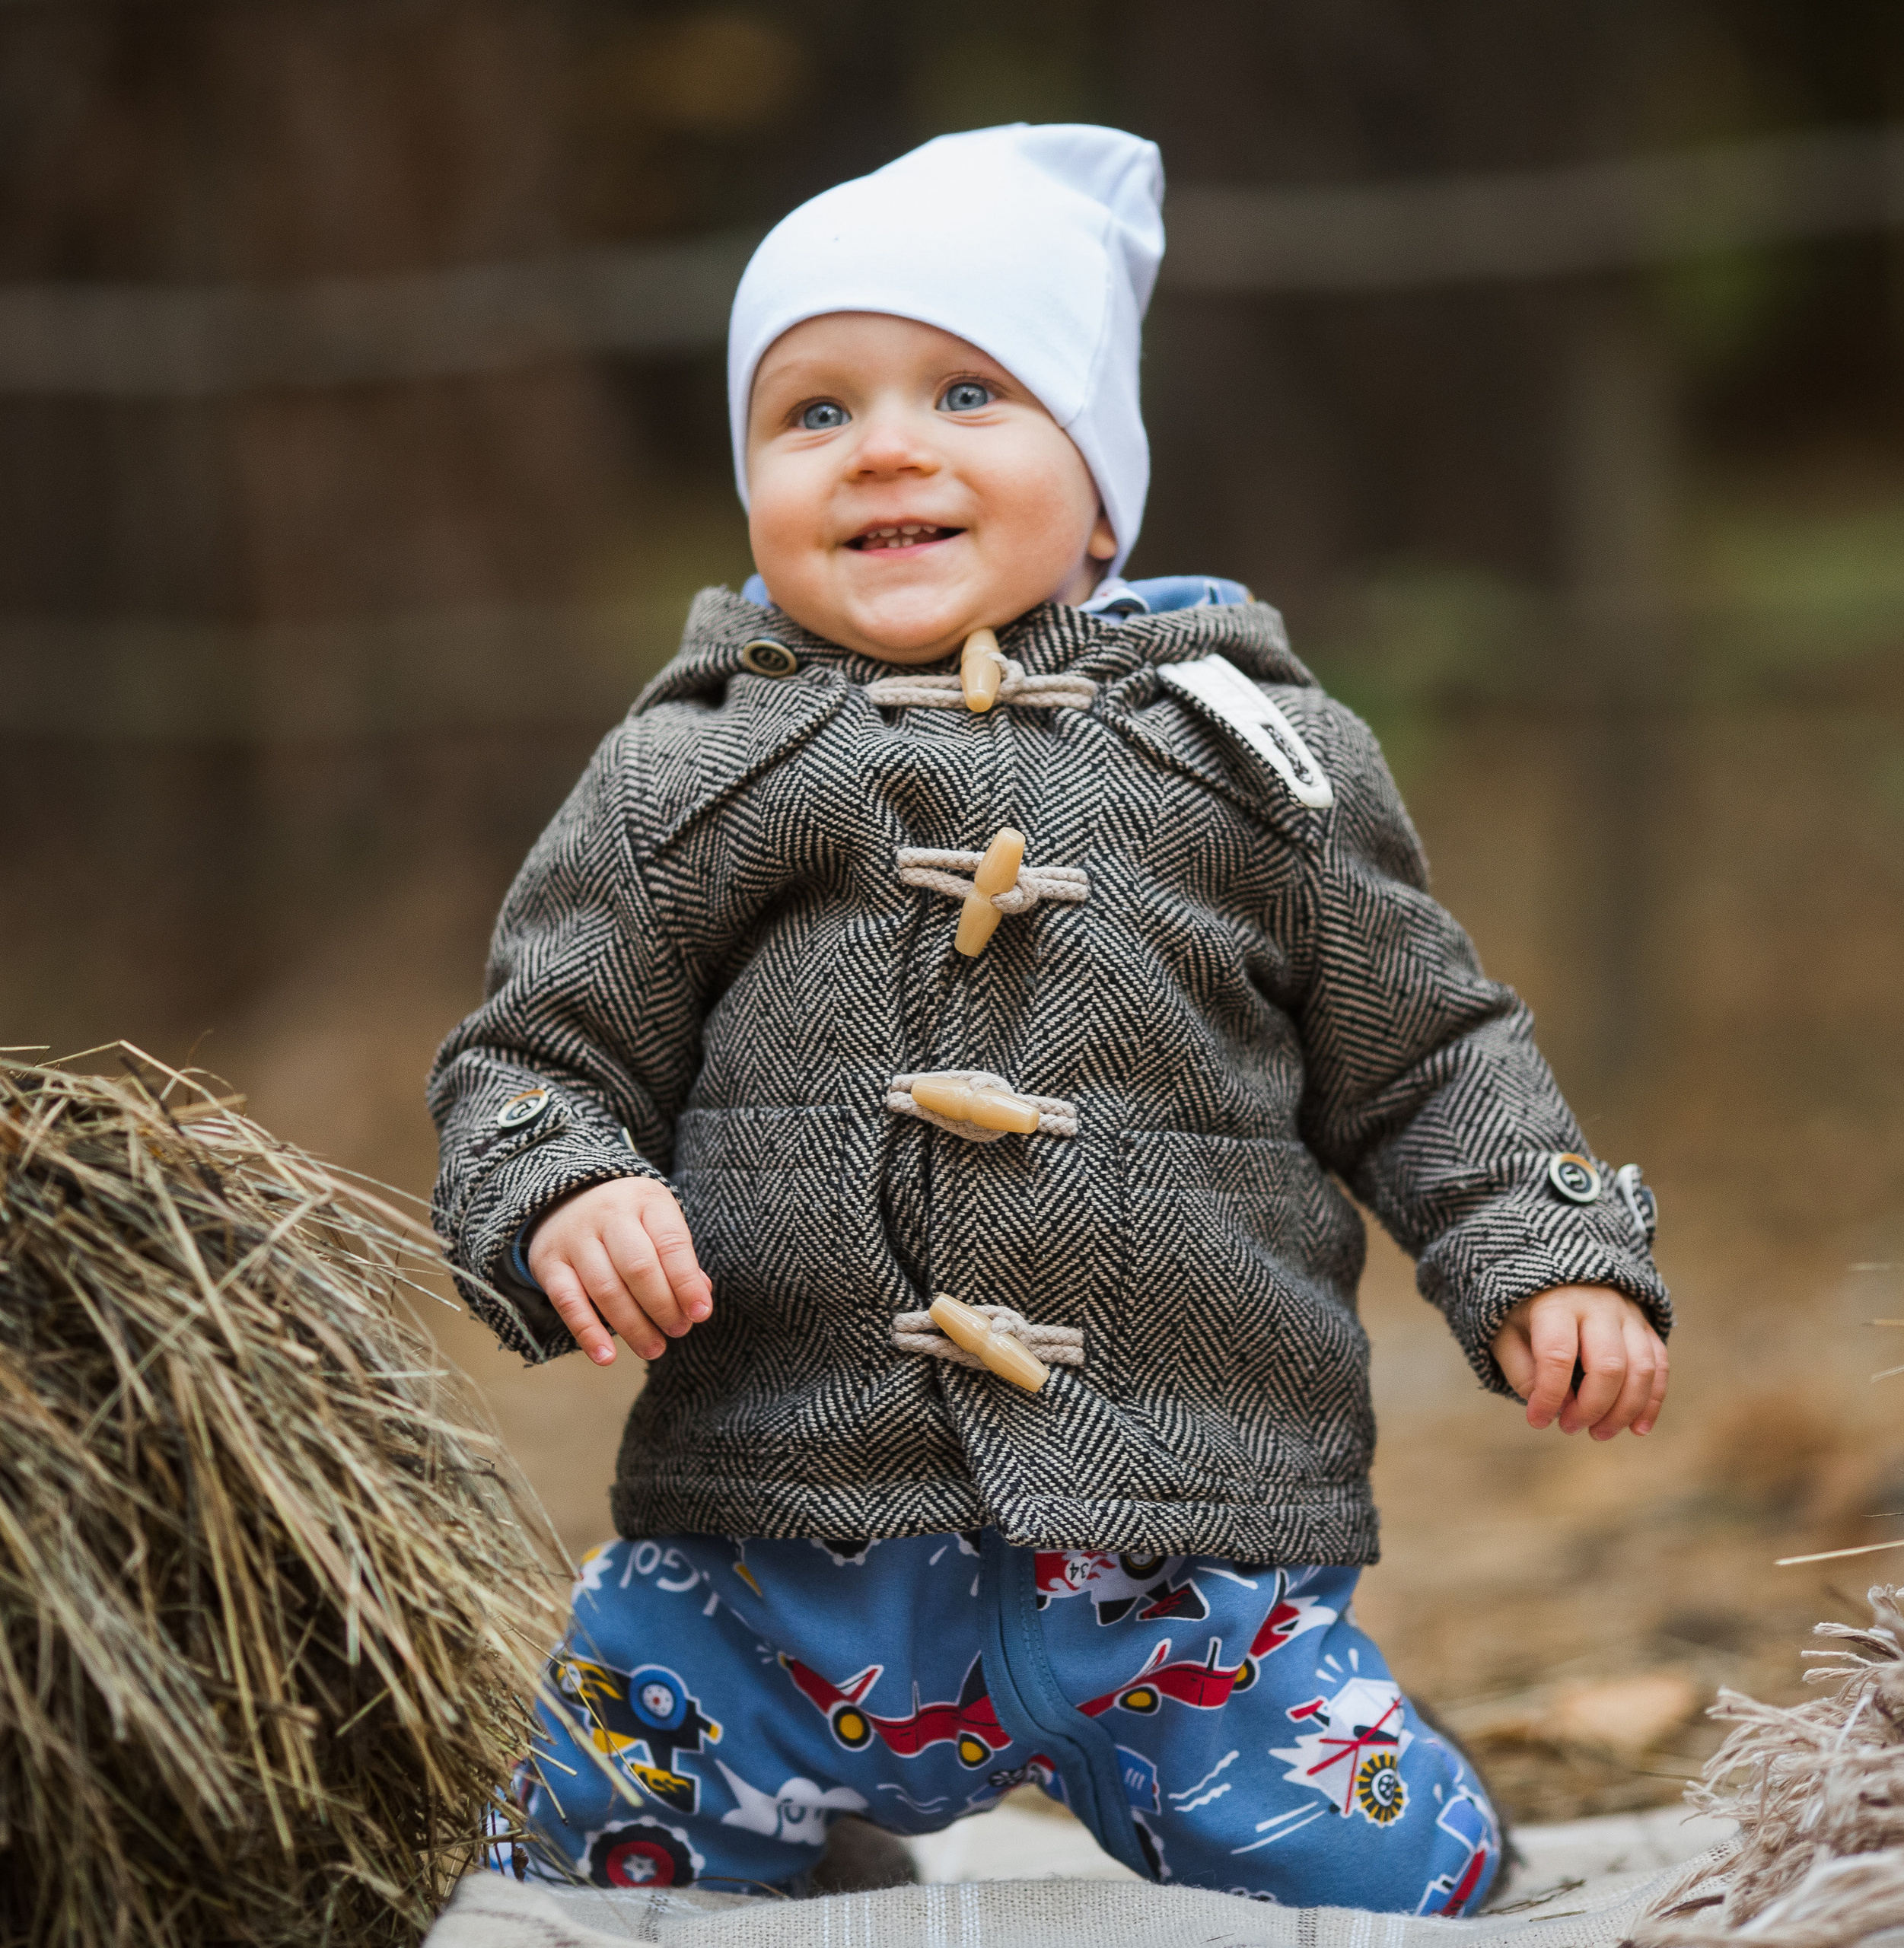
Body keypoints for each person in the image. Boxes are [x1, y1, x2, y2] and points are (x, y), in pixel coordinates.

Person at [428, 123, 1669, 1915]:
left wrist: (1543, 1247)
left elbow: (1427, 1048)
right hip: (771, 1548)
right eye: (815, 414)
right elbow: (536, 1053)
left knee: (1404, 1882)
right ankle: (784, 1855)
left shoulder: (1253, 758)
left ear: (1100, 490)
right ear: (750, 486)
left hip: (1179, 1544)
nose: (889, 449)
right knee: (576, 1868)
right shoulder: (686, 771)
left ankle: (1372, 1822)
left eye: (965, 391)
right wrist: (561, 1188)